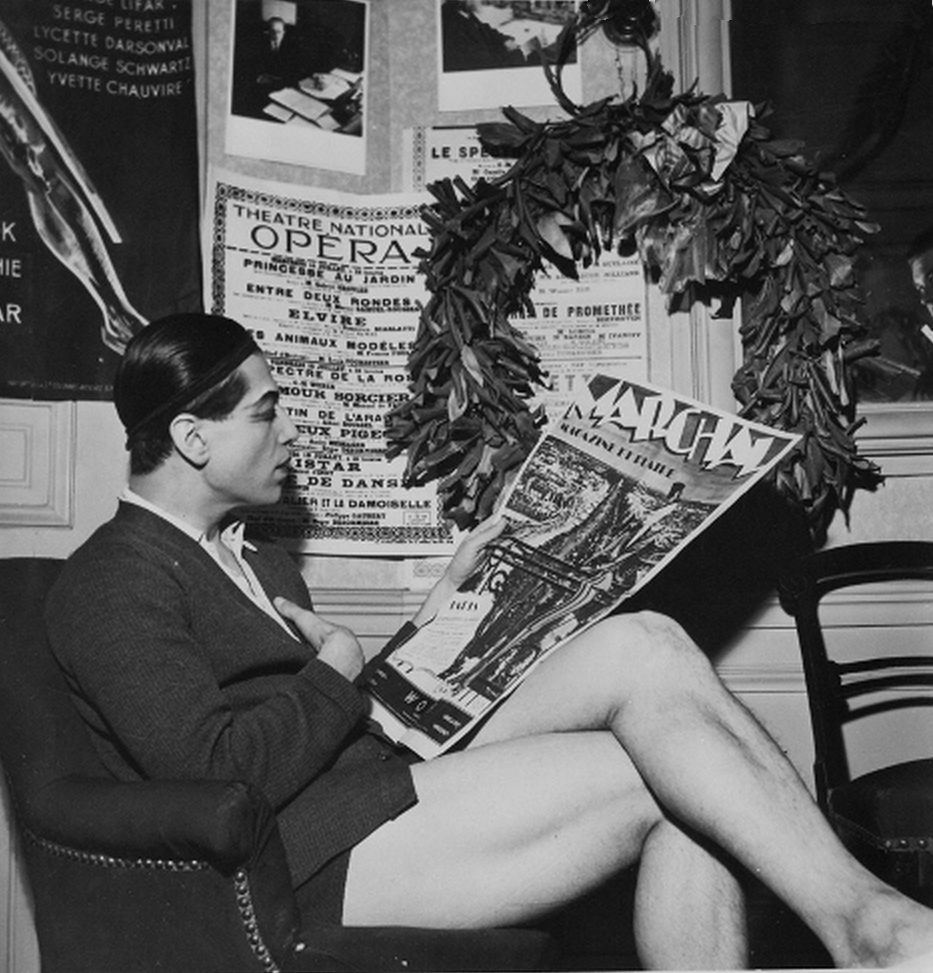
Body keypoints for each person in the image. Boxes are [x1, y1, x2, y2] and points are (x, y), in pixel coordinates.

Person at [46, 312, 933, 970]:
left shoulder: (257, 556)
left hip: (369, 777)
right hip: (303, 852)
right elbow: (216, 772)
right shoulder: (112, 580)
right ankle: (869, 930)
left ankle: (869, 919)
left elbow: (340, 714)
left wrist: (444, 609)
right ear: (192, 438)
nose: (292, 432)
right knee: (673, 776)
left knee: (647, 642)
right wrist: (335, 668)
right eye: (267, 412)